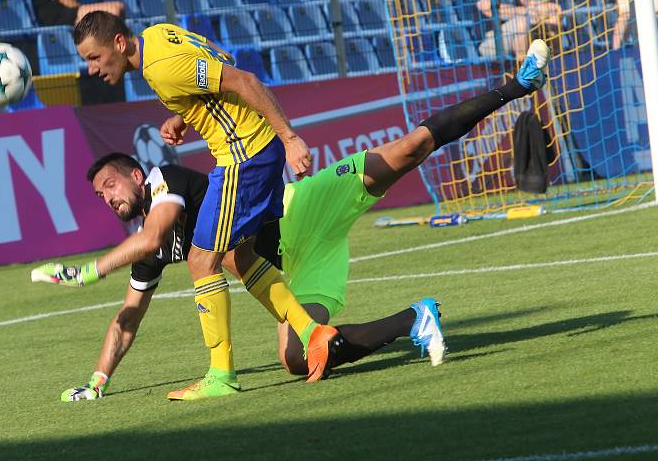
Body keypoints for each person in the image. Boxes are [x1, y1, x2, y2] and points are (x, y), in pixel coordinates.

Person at [32, 39, 552, 402]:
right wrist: (98, 379)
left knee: (413, 146)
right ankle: (416, 319)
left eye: (110, 186)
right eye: (99, 196)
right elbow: (129, 316)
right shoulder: (148, 249)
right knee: (301, 360)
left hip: (303, 209)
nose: (106, 197)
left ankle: (517, 85)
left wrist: (85, 271)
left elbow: (155, 229)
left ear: (136, 175)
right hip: (297, 267)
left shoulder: (167, 185)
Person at [71, 11, 338, 400]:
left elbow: (244, 80)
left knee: (201, 260)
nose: (92, 69)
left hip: (243, 154)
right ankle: (315, 333)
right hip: (250, 149)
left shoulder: (161, 69)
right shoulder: (157, 36)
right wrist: (186, 113)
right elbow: (219, 56)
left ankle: (221, 374)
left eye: (94, 58)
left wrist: (291, 137)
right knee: (237, 257)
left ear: (118, 44)